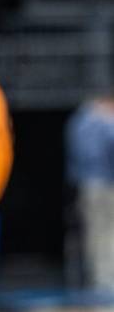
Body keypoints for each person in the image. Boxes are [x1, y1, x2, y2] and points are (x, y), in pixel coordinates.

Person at [66, 96, 114, 291]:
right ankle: (106, 282)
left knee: (95, 233)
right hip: (105, 184)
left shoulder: (78, 120)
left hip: (86, 185)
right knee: (106, 233)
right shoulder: (104, 123)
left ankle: (100, 280)